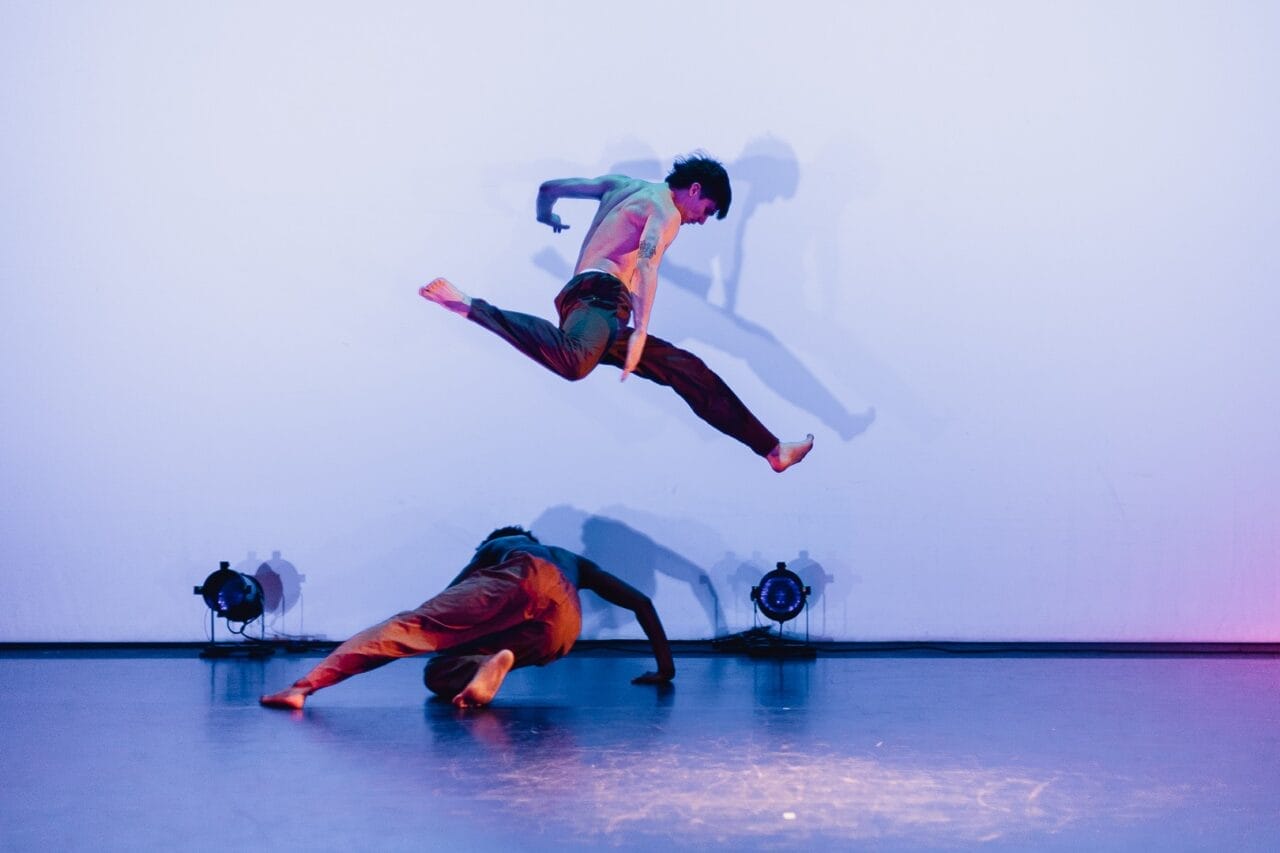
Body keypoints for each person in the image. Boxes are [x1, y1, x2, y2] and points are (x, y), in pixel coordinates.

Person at [420, 154, 814, 473]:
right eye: (706, 209)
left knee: (688, 370)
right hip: (603, 300)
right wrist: (641, 331)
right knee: (574, 363)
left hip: (588, 309)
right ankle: (470, 307)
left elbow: (549, 188)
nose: (701, 219)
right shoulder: (667, 213)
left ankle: (772, 450)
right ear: (694, 190)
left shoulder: (621, 185)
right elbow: (646, 264)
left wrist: (546, 215)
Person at [260, 526, 674, 710]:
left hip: (518, 579)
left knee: (410, 628)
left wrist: (433, 624)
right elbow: (642, 603)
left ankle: (303, 688)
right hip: (563, 627)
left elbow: (452, 593)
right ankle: (482, 672)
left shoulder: (506, 543)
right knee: (440, 673)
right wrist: (665, 669)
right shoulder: (575, 562)